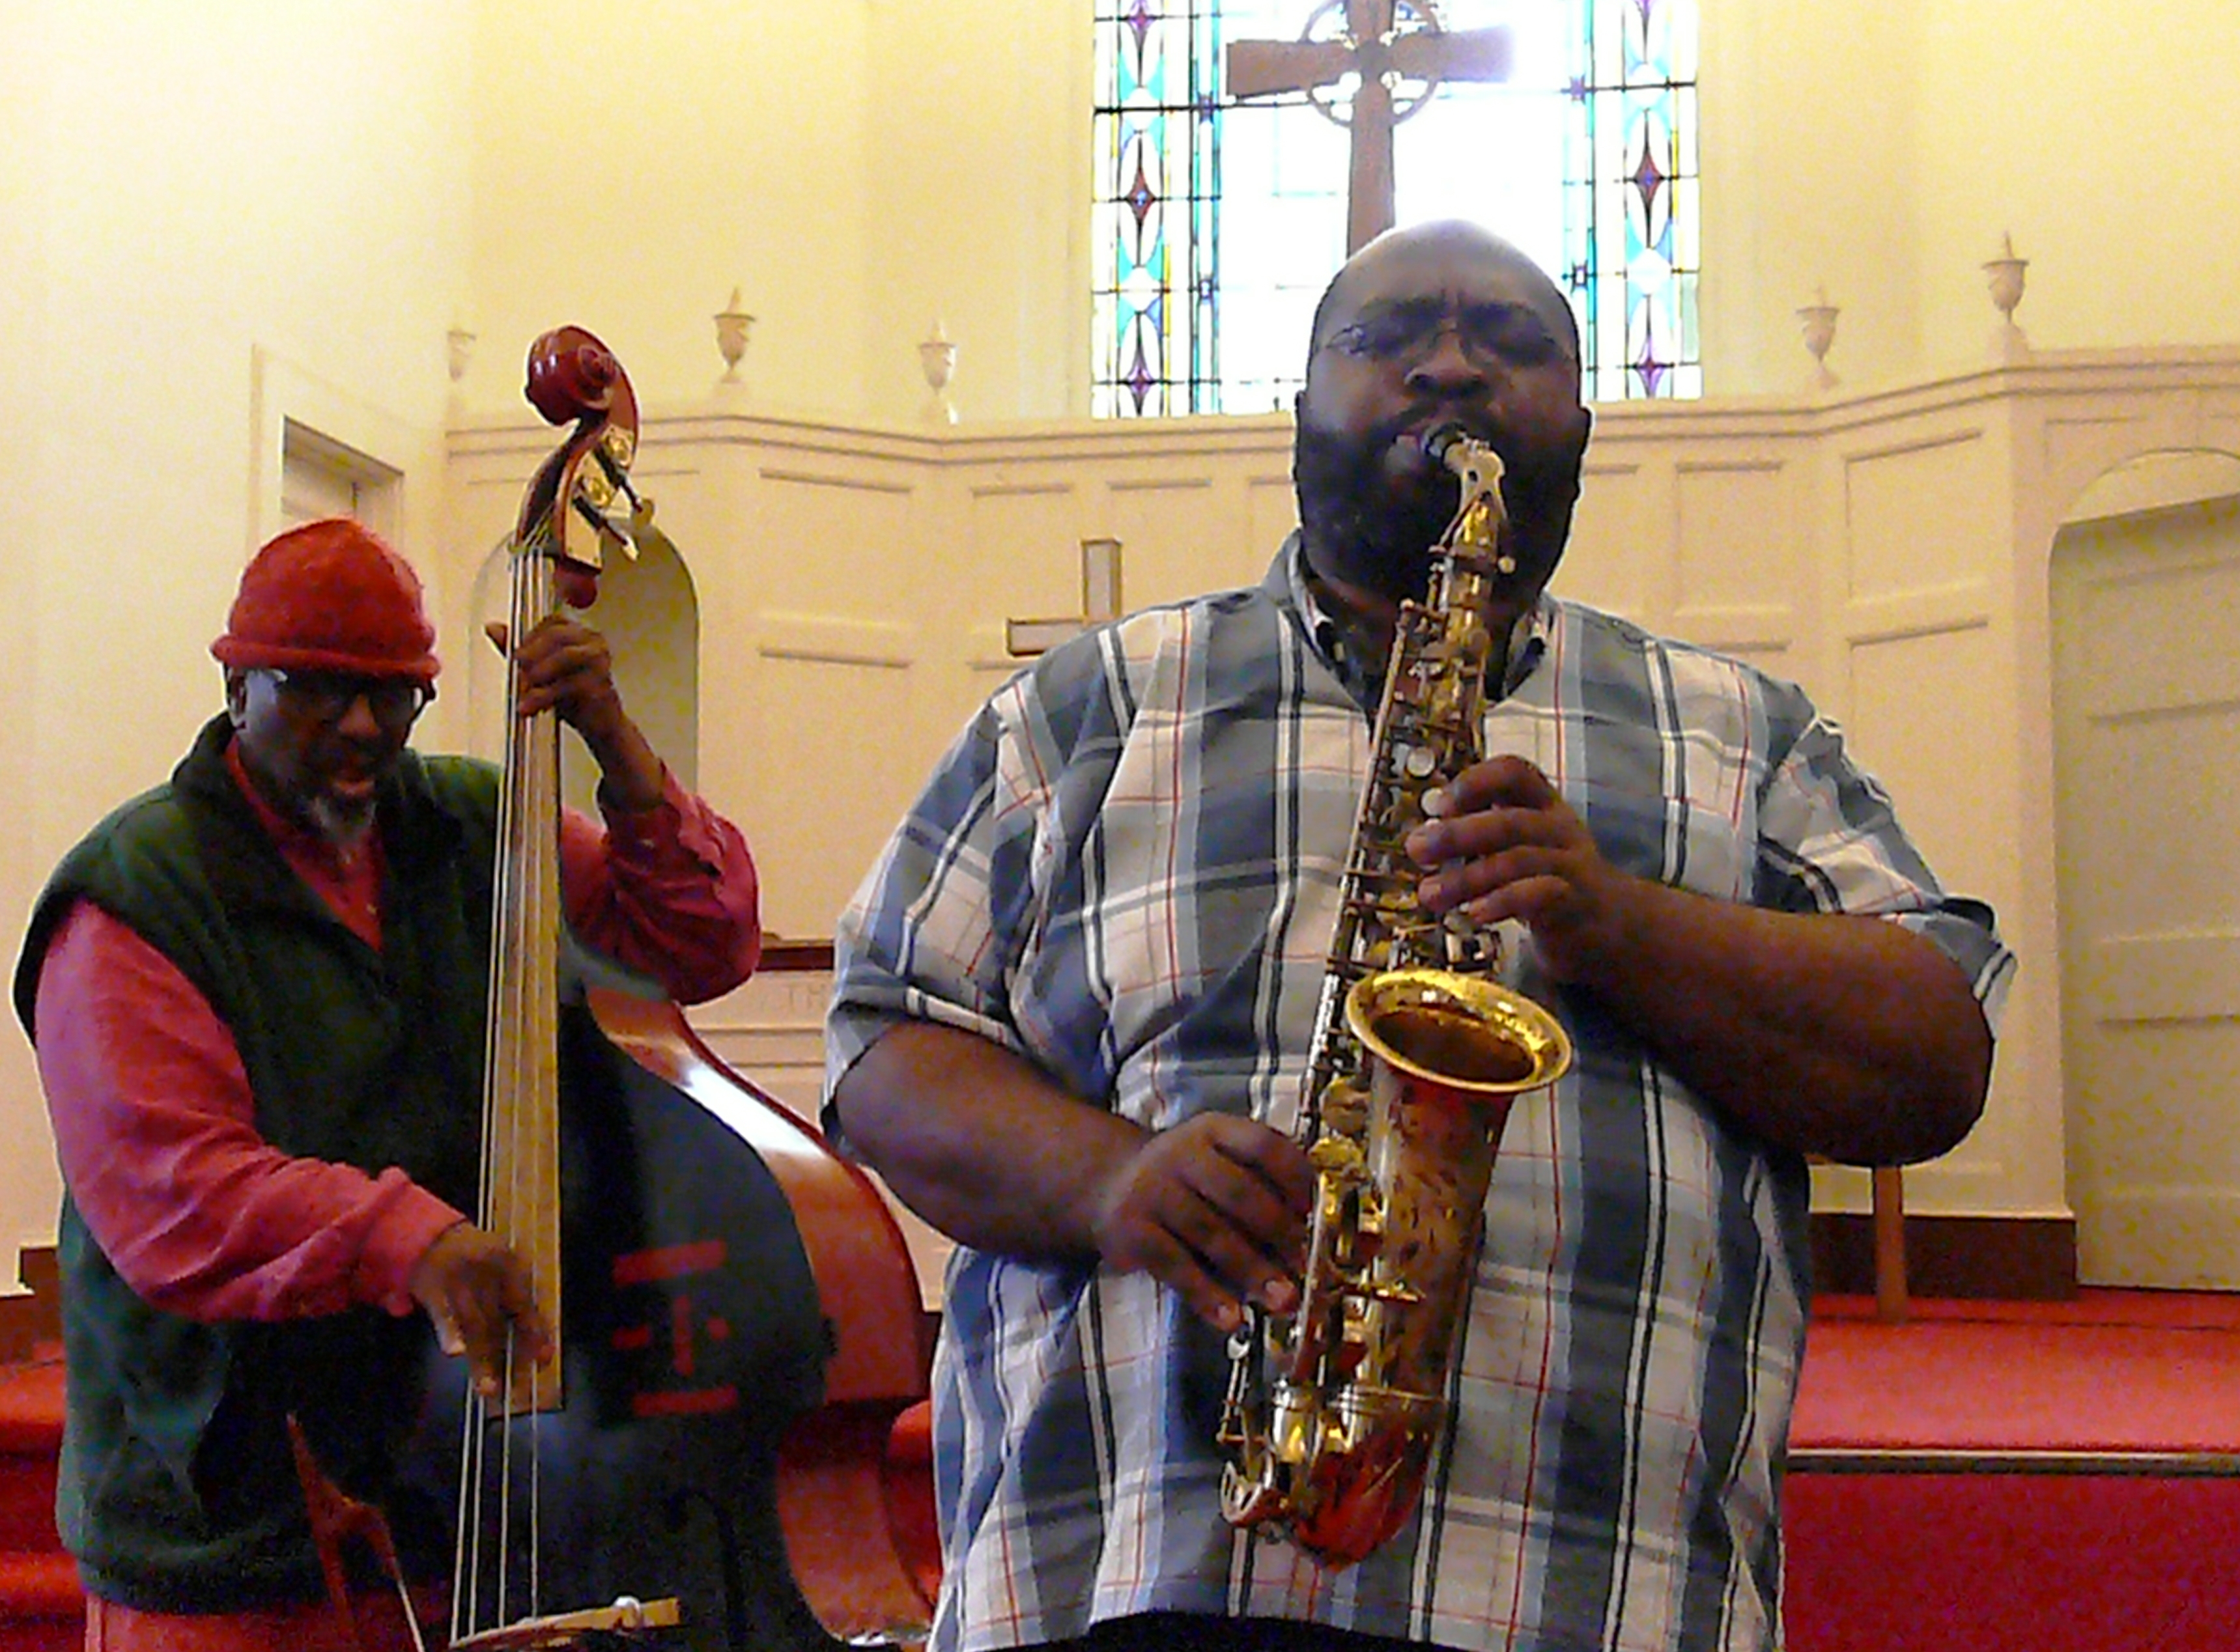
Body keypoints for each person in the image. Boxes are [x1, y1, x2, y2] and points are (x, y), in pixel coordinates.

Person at [823, 220, 2015, 1652]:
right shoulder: (1089, 709)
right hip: (1134, 1574)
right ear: (1301, 408)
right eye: (1384, 337)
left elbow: (1935, 1055)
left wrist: (1616, 923)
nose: (1448, 364)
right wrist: (1109, 1180)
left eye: (1510, 341)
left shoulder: (1742, 730)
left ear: (1578, 421)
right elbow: (886, 1043)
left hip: (1592, 1593)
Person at [12, 517, 762, 1652]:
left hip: (449, 1500)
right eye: (322, 691)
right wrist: (412, 1236)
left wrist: (616, 745)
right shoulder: (134, 895)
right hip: (223, 1526)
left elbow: (702, 944)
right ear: (238, 682)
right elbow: (177, 1196)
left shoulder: (468, 822)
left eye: (397, 695)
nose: (365, 727)